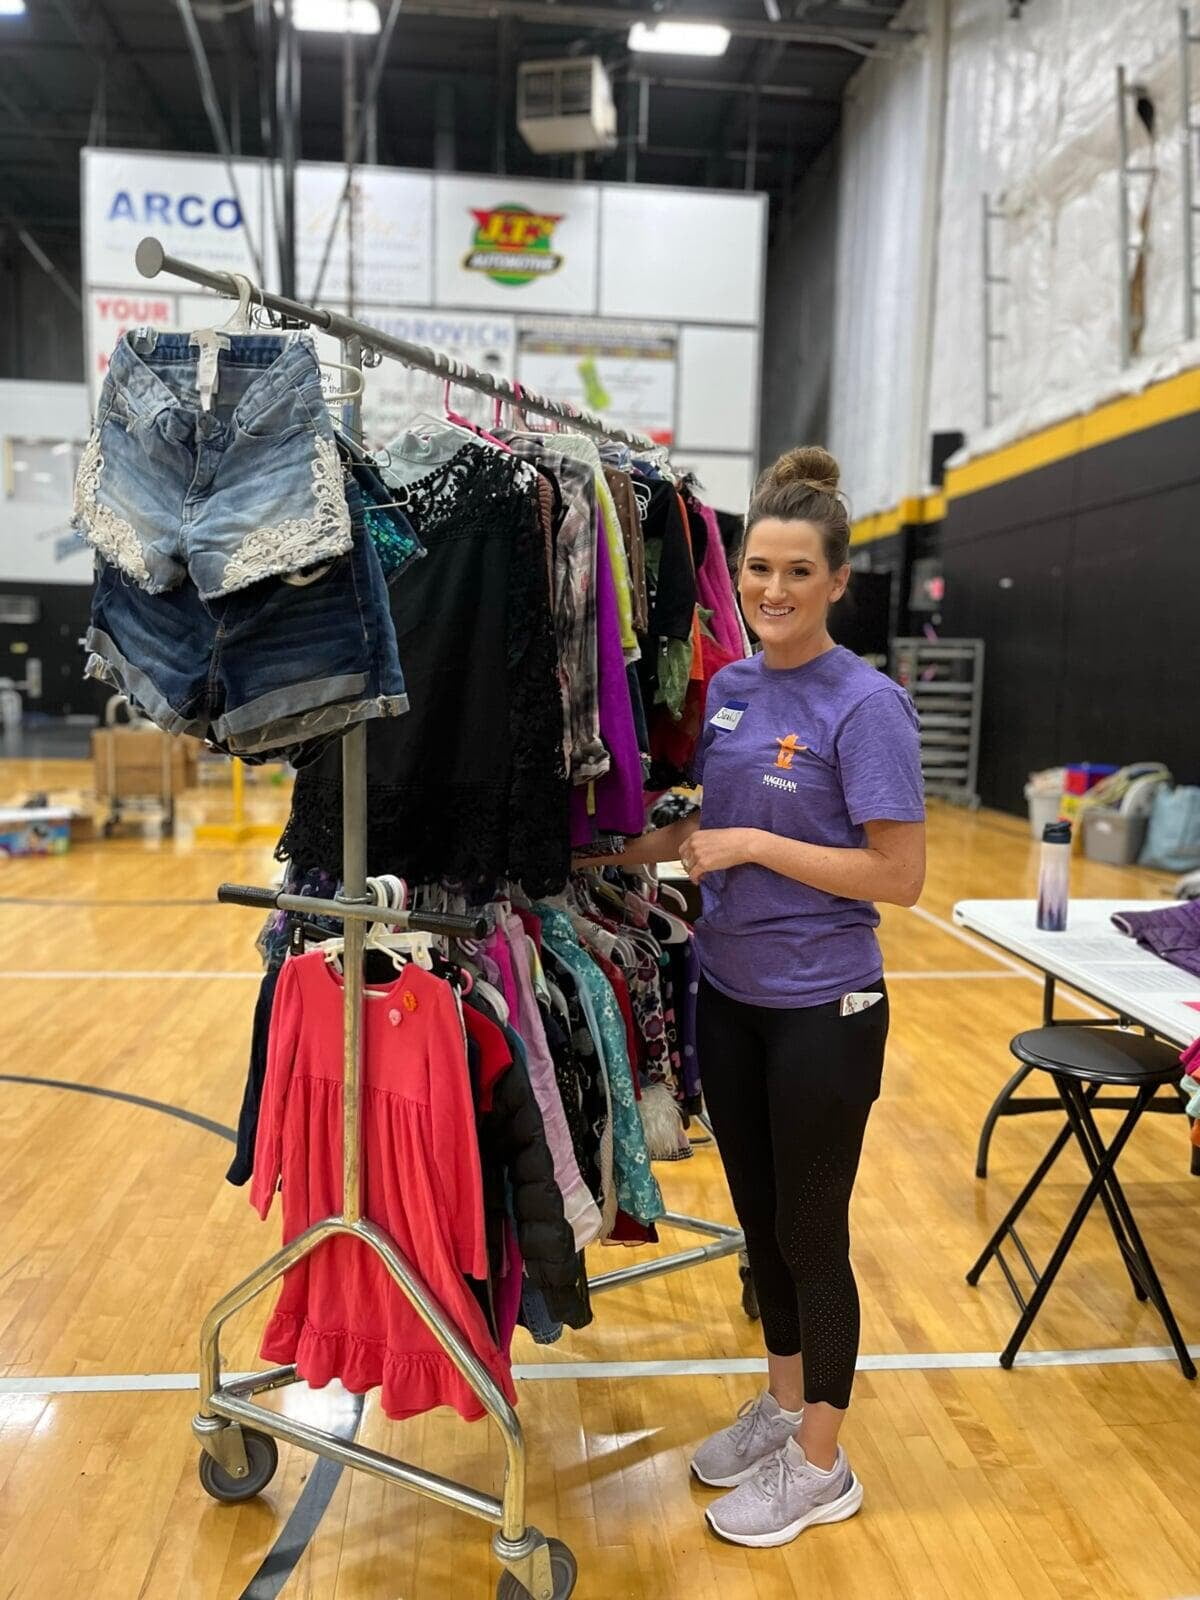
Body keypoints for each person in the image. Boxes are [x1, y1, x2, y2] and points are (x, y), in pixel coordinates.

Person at [607, 445, 926, 1549]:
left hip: (825, 1008)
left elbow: (900, 876)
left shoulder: (868, 704)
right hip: (731, 994)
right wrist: (605, 849)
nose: (773, 591)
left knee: (810, 1226)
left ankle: (824, 1461)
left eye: (798, 572)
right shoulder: (734, 687)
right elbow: (708, 833)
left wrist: (760, 845)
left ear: (838, 579)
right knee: (759, 1227)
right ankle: (783, 1399)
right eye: (757, 570)